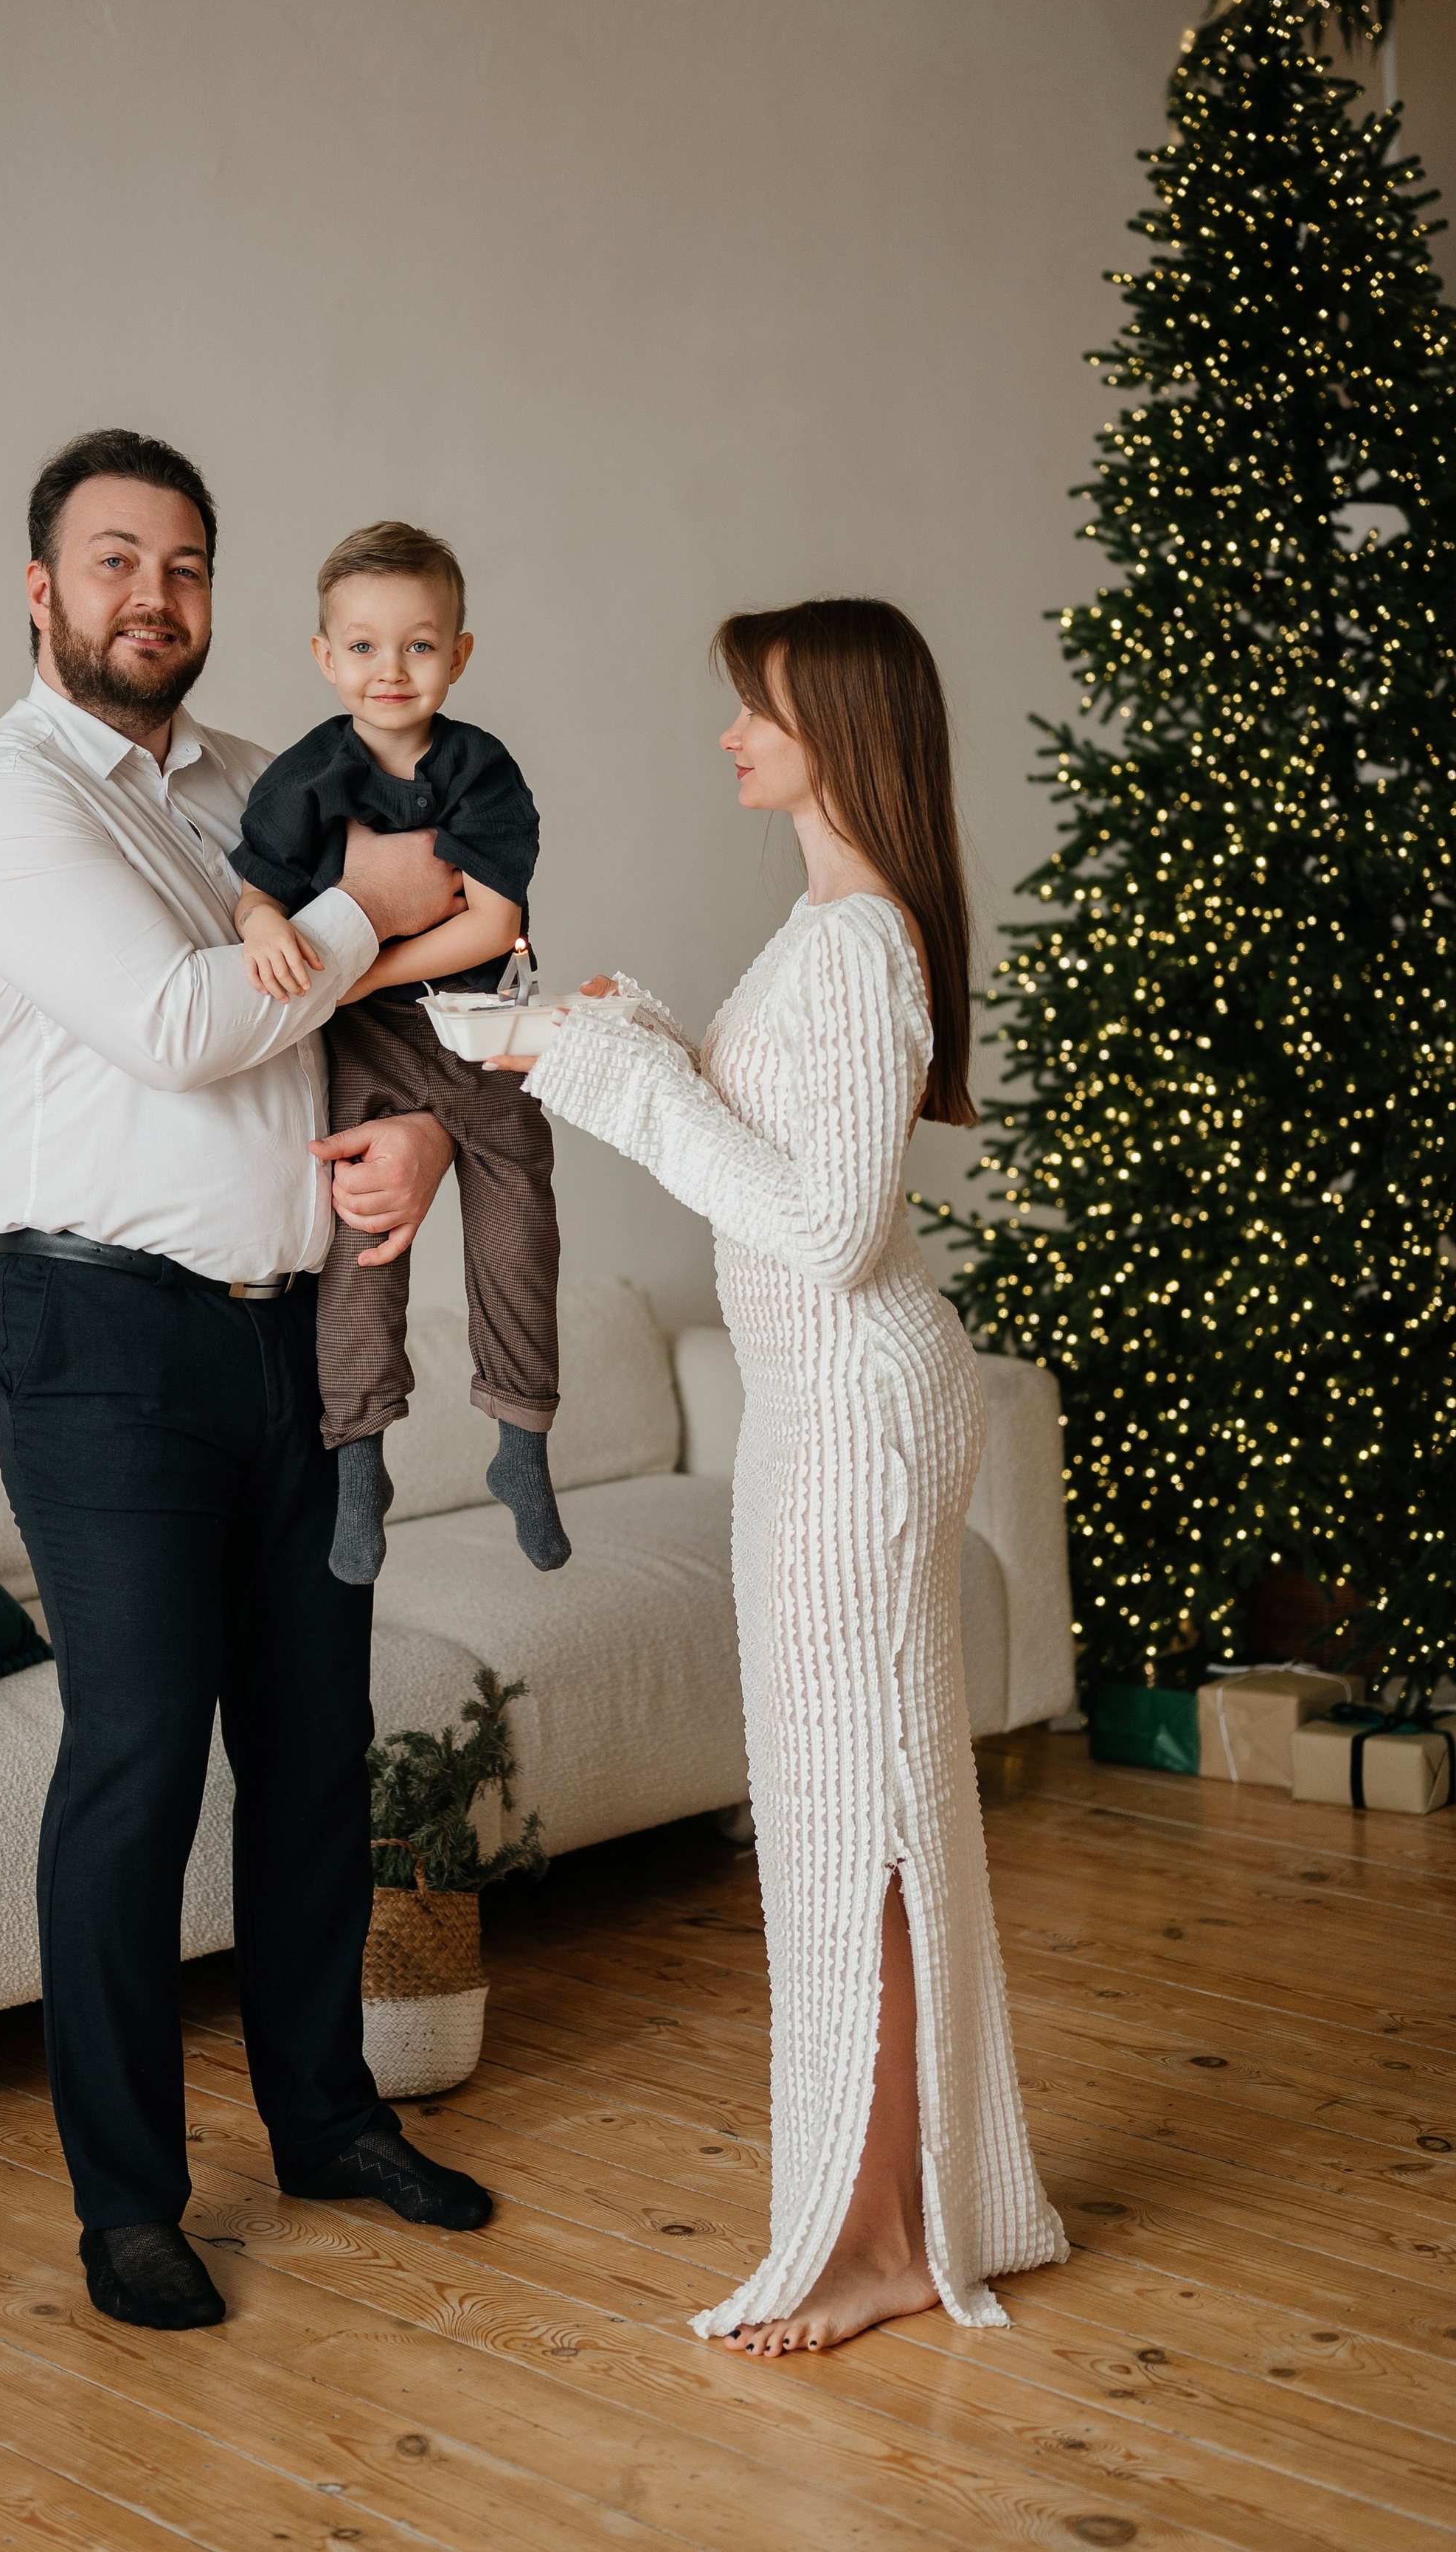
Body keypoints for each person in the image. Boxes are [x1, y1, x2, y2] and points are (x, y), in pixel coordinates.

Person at [0, 428, 495, 2338]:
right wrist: (369, 902)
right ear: (42, 590)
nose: (152, 599)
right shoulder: (4, 808)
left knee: (319, 1754)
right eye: (114, 564)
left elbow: (417, 998)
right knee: (140, 1757)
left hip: (297, 1325)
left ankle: (328, 2121)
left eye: (182, 567)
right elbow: (190, 1026)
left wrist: (419, 1136)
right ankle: (129, 2205)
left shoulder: (268, 779)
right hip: (99, 1340)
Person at [490, 597, 1067, 2354]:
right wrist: (643, 1043)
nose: (723, 732)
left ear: (830, 719)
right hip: (824, 1407)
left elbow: (820, 1222)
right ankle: (905, 2210)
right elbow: (787, 1147)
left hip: (847, 1410)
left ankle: (883, 2235)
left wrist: (590, 1068)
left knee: (857, 1828)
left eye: (747, 706)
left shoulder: (857, 941)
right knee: (851, 1821)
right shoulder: (830, 929)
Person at [230, 521, 568, 1584]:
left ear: (460, 655)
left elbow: (489, 924)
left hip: (475, 1025)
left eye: (419, 646)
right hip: (366, 1050)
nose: (391, 671)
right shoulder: (304, 777)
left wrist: (359, 967)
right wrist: (263, 930)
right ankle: (360, 1462)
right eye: (364, 647)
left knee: (518, 1219)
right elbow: (258, 889)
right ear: (326, 656)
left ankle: (520, 1446)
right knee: (361, 1252)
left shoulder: (482, 770)